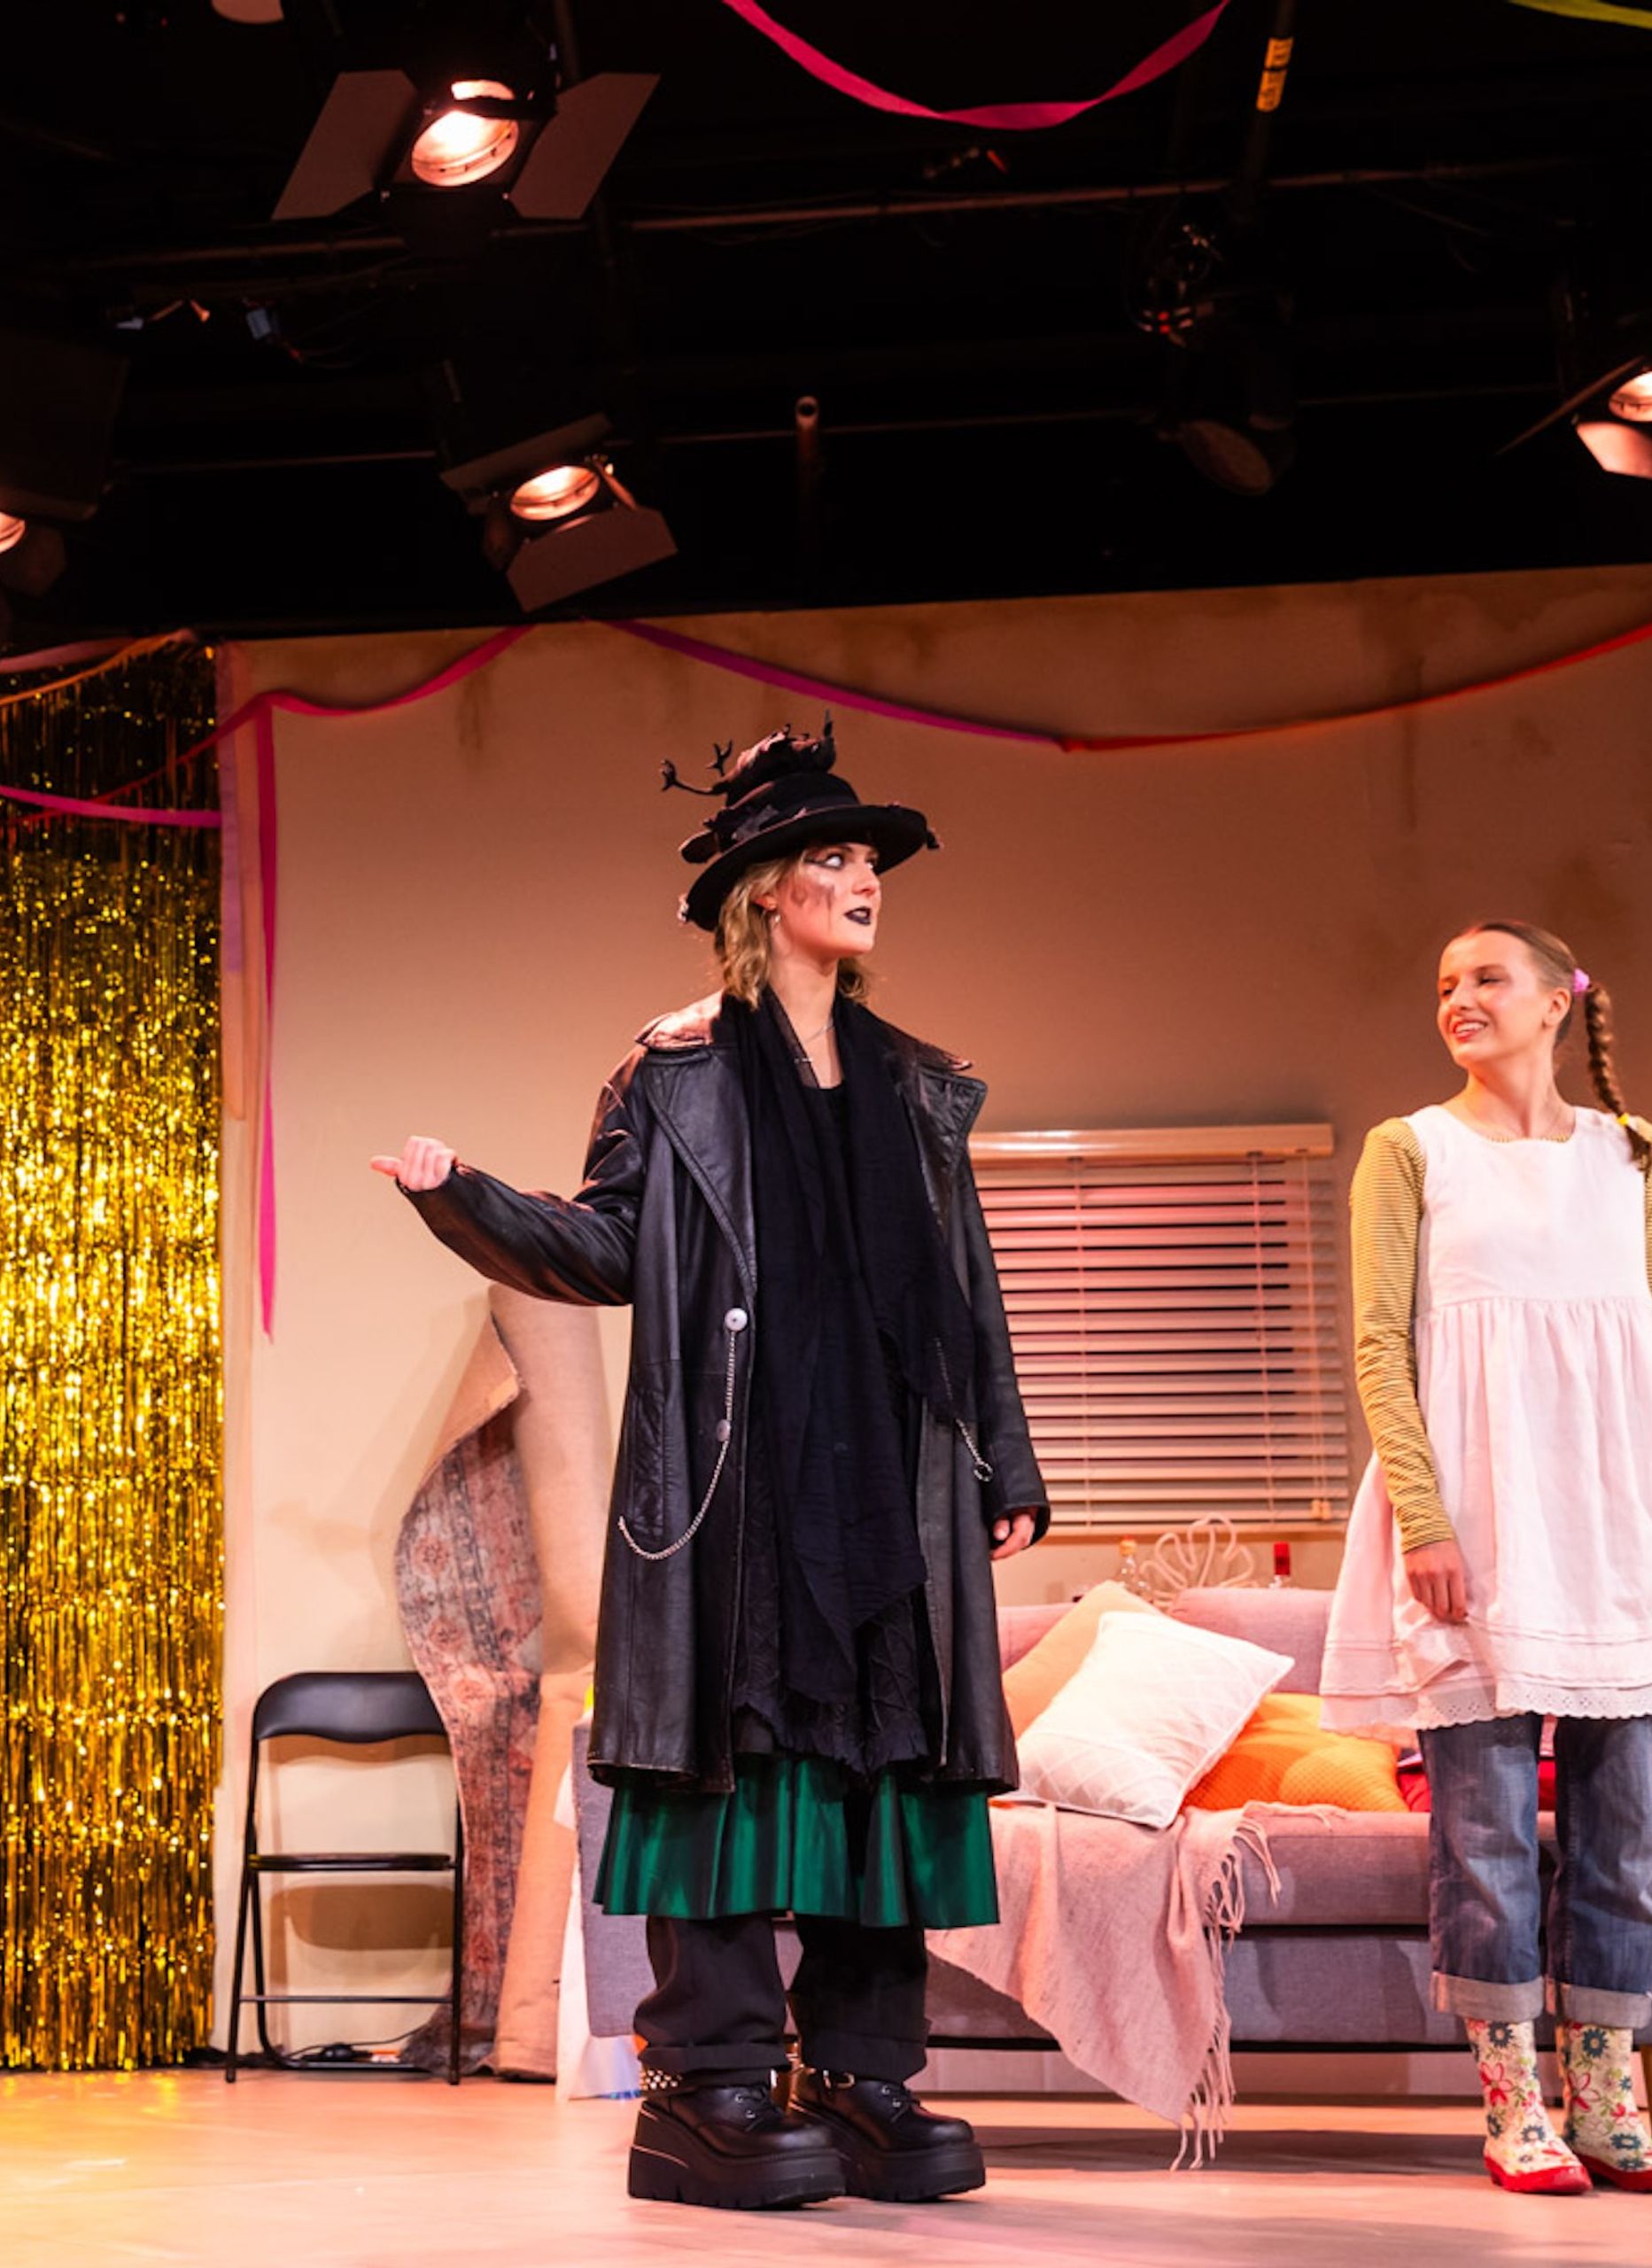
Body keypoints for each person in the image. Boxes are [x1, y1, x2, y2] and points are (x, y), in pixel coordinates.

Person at [371, 726, 1047, 2213]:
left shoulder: (918, 1090)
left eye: (870, 861)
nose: (864, 880)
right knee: (738, 1772)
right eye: (833, 857)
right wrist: (462, 1197)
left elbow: (968, 1285)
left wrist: (1003, 1455)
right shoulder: (674, 1075)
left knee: (887, 1768)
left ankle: (861, 2074)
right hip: (740, 1486)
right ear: (759, 890)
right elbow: (608, 1247)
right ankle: (710, 2084)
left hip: (892, 1476)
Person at [1320, 920, 1652, 2196]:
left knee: (1620, 1830)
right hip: (1482, 1519)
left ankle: (1610, 2101)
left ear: (1559, 1001)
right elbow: (1381, 1352)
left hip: (1620, 1515)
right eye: (1442, 980)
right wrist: (1426, 1521)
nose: (1458, 998)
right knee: (1487, 1835)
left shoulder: (1634, 1154)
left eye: (1487, 978)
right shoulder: (1411, 1152)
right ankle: (1514, 2104)